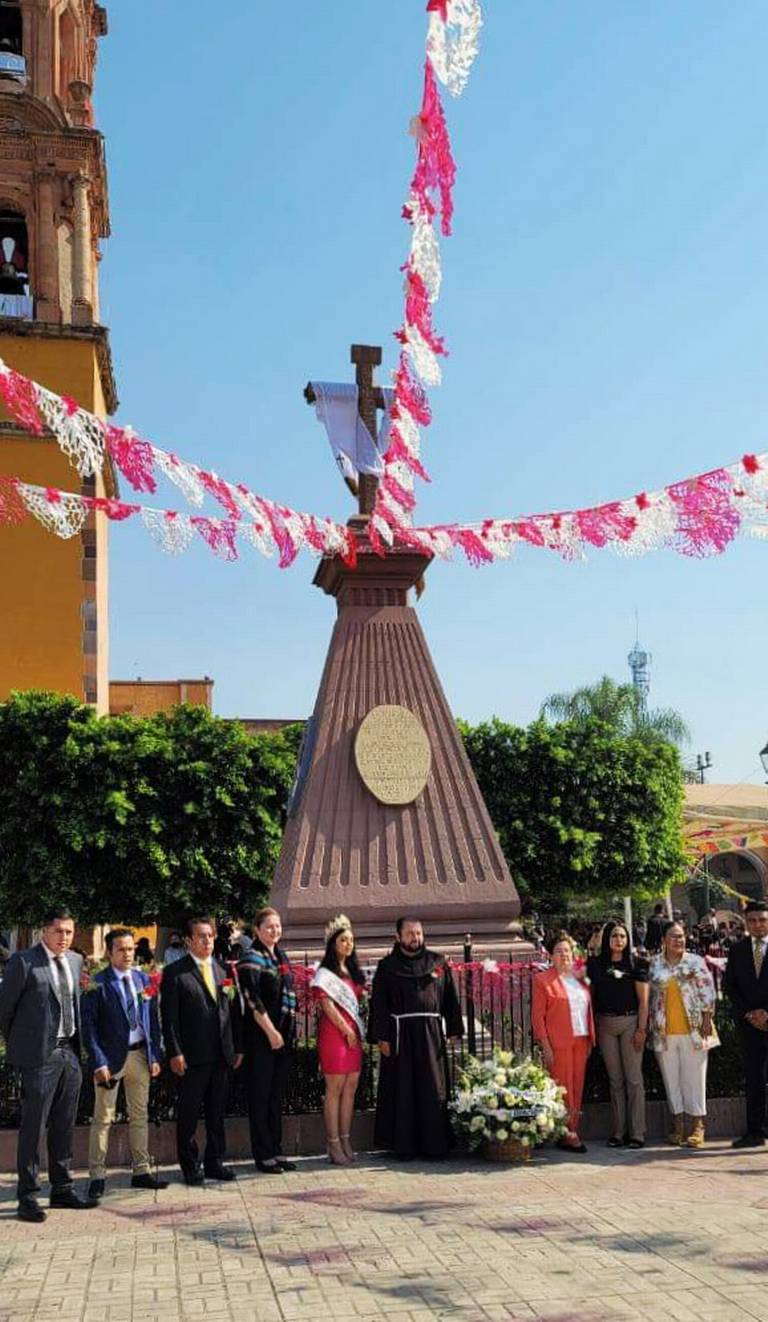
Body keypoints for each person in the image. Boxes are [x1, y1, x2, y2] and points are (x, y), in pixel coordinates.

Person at [0, 909, 96, 1221]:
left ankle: (62, 1189)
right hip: (38, 1058)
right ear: (45, 931)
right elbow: (5, 1011)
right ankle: (28, 1196)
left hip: (69, 1053)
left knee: (65, 1124)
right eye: (59, 931)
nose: (65, 938)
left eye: (69, 932)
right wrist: (22, 1048)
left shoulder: (75, 961)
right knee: (33, 1127)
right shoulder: (23, 962)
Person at [80, 928, 167, 1200]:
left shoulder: (143, 980)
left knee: (139, 1116)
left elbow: (152, 1021)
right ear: (109, 952)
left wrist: (154, 1057)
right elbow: (89, 1028)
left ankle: (141, 1171)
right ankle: (97, 1175)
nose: (128, 954)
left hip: (140, 1056)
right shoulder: (98, 983)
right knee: (103, 1119)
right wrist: (98, 1062)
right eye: (121, 949)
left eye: (130, 949)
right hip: (110, 1060)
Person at [368, 917, 463, 1159]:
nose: (415, 938)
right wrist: (381, 1037)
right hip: (400, 1036)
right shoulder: (387, 966)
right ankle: (404, 1146)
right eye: (410, 934)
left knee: (433, 1086)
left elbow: (450, 996)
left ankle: (434, 1145)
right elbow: (378, 1003)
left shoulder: (438, 963)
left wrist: (453, 1028)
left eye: (419, 933)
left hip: (431, 1035)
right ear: (398, 937)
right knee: (403, 1088)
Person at [160, 915, 242, 1185]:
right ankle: (190, 1165)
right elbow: (169, 1018)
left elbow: (231, 1012)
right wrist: (175, 1052)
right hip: (192, 1057)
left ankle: (215, 1162)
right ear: (188, 940)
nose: (208, 941)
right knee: (189, 1115)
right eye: (202, 936)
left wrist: (236, 1047)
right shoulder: (176, 973)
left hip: (221, 1055)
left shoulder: (222, 969)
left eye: (211, 935)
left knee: (216, 1113)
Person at [236, 907, 298, 1175]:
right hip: (261, 1038)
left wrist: (283, 1034)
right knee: (260, 1097)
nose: (275, 931)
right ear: (257, 931)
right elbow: (252, 998)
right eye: (269, 927)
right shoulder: (251, 956)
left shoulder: (280, 955)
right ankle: (263, 1154)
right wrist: (271, 1032)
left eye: (277, 926)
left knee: (275, 1097)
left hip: (282, 1038)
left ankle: (276, 1148)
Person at [648, 920, 717, 1148]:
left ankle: (697, 1126)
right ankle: (677, 1125)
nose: (679, 940)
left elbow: (708, 991)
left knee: (695, 1079)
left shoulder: (695, 962)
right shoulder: (654, 964)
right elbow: (648, 996)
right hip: (664, 1031)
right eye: (674, 936)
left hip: (694, 1030)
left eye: (681, 936)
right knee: (671, 1079)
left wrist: (707, 1018)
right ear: (663, 941)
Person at [587, 920, 649, 1149]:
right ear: (607, 939)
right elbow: (591, 998)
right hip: (605, 1024)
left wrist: (642, 1029)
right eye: (614, 936)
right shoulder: (595, 965)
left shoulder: (637, 965)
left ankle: (637, 1132)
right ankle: (618, 1131)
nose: (618, 940)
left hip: (630, 1022)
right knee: (615, 1081)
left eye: (623, 936)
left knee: (634, 1079)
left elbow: (644, 1002)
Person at [532, 931, 595, 1154]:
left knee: (577, 1087)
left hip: (581, 1039)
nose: (564, 955)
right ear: (551, 956)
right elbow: (537, 1016)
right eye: (558, 951)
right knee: (563, 1088)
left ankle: (571, 1128)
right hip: (558, 1042)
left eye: (567, 951)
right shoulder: (542, 980)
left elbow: (587, 1009)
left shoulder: (580, 979)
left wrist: (589, 1040)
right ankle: (567, 1132)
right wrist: (545, 1044)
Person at [311, 914, 366, 1165]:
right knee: (334, 1088)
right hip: (335, 1034)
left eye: (351, 940)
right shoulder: (326, 972)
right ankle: (332, 1144)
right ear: (333, 943)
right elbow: (326, 1004)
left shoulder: (353, 970)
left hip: (353, 1034)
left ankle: (345, 1138)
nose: (348, 944)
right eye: (343, 940)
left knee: (351, 1088)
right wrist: (345, 1029)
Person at [724, 899, 768, 1148]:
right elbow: (730, 985)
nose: (758, 925)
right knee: (753, 1079)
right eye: (752, 920)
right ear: (746, 922)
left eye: (762, 920)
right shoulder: (737, 950)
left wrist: (767, 1014)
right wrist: (751, 1014)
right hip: (749, 1024)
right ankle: (755, 1132)